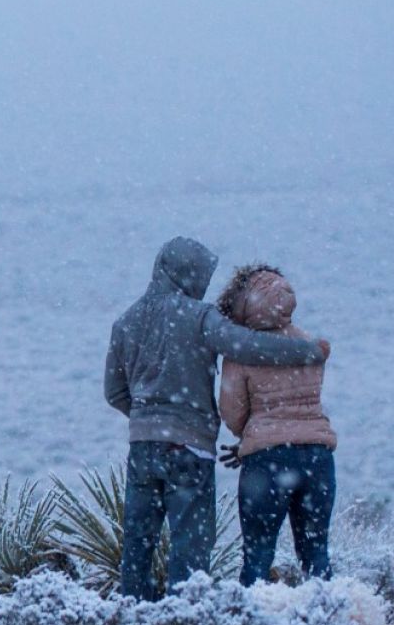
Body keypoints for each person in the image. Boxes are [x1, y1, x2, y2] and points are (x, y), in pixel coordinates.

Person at [104, 237, 329, 600]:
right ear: (187, 275)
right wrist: (307, 351)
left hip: (143, 447)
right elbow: (245, 346)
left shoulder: (125, 321)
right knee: (190, 548)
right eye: (202, 276)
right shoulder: (198, 317)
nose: (204, 285)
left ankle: (135, 624)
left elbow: (114, 393)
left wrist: (149, 419)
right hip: (189, 447)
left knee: (137, 546)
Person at [216, 264, 338, 585]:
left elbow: (231, 411)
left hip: (266, 462)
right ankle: (327, 622)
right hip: (318, 456)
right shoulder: (310, 344)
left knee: (257, 554)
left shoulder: (240, 352)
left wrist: (252, 435)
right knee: (316, 553)